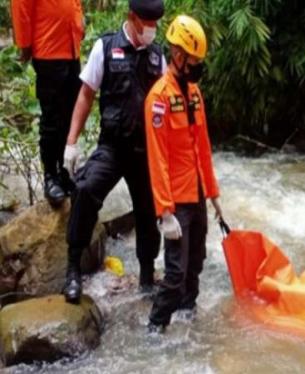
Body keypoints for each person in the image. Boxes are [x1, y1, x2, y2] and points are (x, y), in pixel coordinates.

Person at [61, 0, 166, 304]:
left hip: (144, 149)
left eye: (155, 23)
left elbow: (167, 107)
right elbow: (85, 95)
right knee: (85, 188)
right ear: (132, 17)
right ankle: (72, 270)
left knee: (149, 211)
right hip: (112, 146)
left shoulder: (157, 57)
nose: (152, 29)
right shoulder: (105, 47)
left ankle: (147, 275)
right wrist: (71, 143)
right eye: (148, 22)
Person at [143, 15, 223, 331]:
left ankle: (189, 315)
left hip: (198, 194)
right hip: (175, 202)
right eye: (194, 60)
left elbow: (202, 147)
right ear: (178, 57)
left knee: (195, 265)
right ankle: (155, 327)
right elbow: (157, 158)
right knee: (174, 275)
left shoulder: (194, 94)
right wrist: (164, 212)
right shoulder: (158, 99)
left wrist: (214, 196)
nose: (198, 66)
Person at [10, 0, 84, 205]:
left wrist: (78, 24)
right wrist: (24, 44)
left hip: (71, 48)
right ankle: (50, 176)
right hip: (48, 48)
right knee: (52, 118)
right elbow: (21, 5)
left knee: (71, 113)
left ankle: (65, 172)